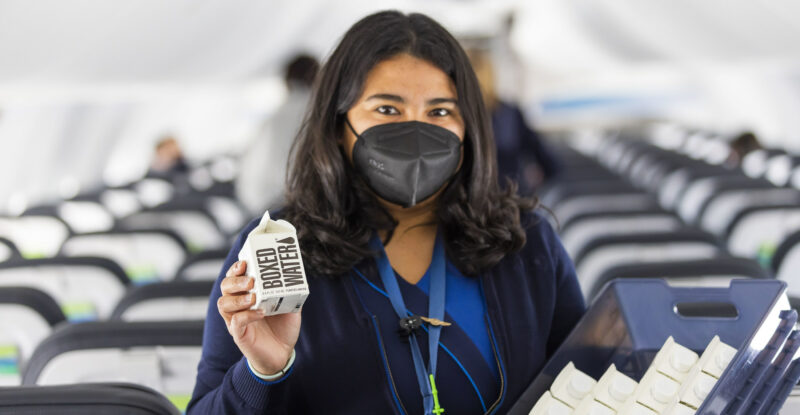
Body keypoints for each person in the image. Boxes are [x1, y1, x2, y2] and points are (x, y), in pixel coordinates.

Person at [188, 11, 585, 415]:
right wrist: (262, 372)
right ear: (338, 124)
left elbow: (588, 387)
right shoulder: (277, 246)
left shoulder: (525, 241)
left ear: (469, 128)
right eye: (388, 111)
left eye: (440, 112)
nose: (416, 131)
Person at [468, 48, 562, 195]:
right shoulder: (509, 113)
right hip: (510, 199)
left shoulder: (454, 116)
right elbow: (545, 158)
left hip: (467, 202)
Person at [236, 54, 320, 215]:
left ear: (286, 81)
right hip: (304, 206)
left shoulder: (273, 118)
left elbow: (249, 171)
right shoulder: (322, 116)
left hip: (265, 205)